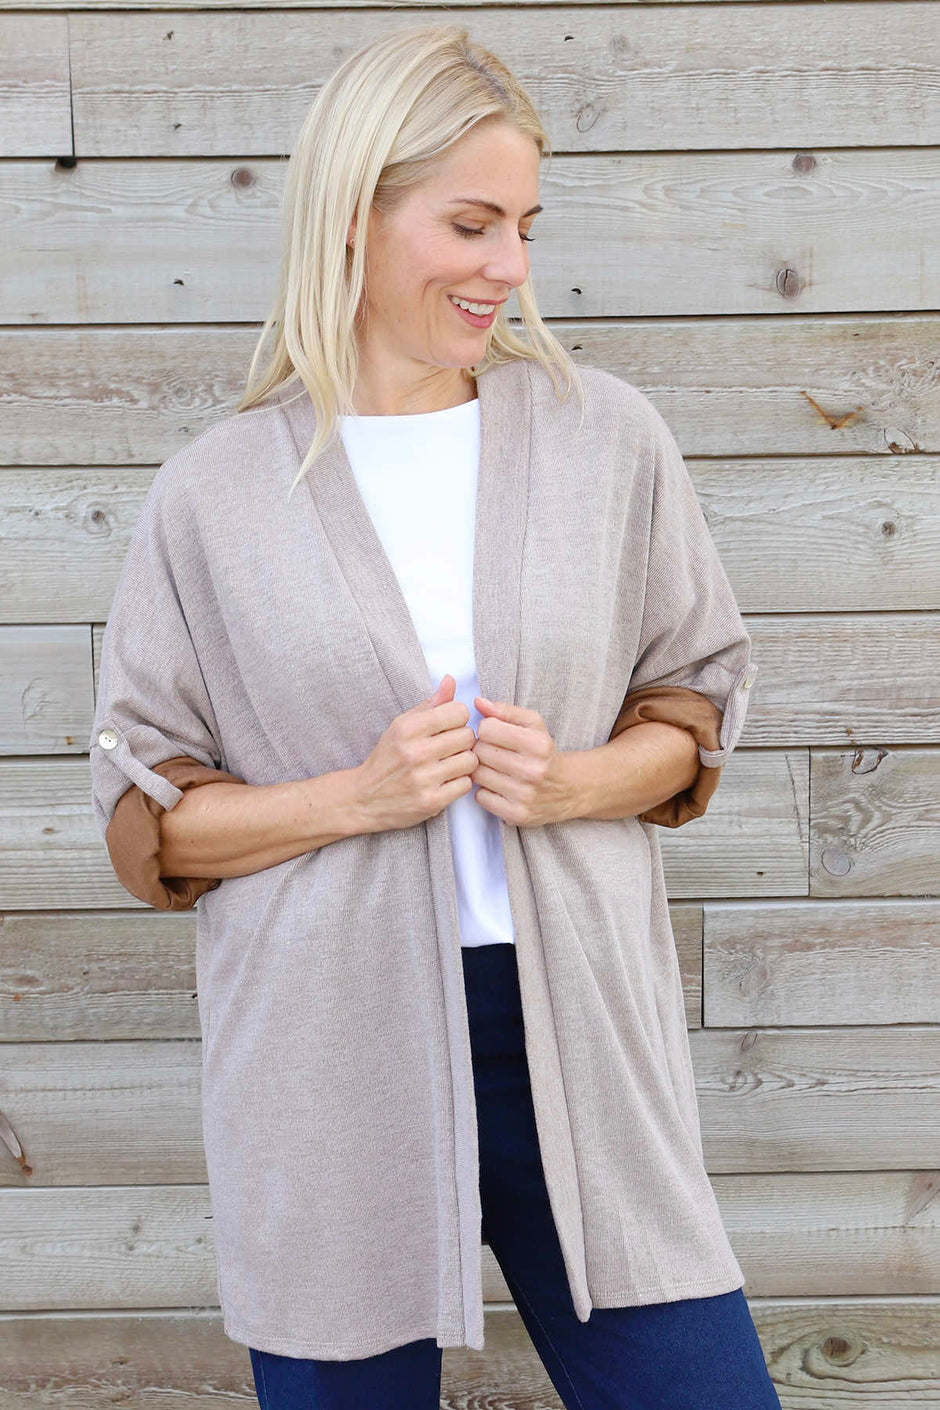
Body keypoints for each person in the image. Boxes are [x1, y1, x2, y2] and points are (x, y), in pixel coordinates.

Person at [89, 22, 780, 1410]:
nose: (509, 266)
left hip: (577, 1032)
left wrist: (572, 782)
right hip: (326, 1054)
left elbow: (692, 701)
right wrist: (357, 796)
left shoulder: (604, 439)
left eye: (524, 225)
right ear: (354, 214)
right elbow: (149, 822)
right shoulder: (215, 494)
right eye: (471, 224)